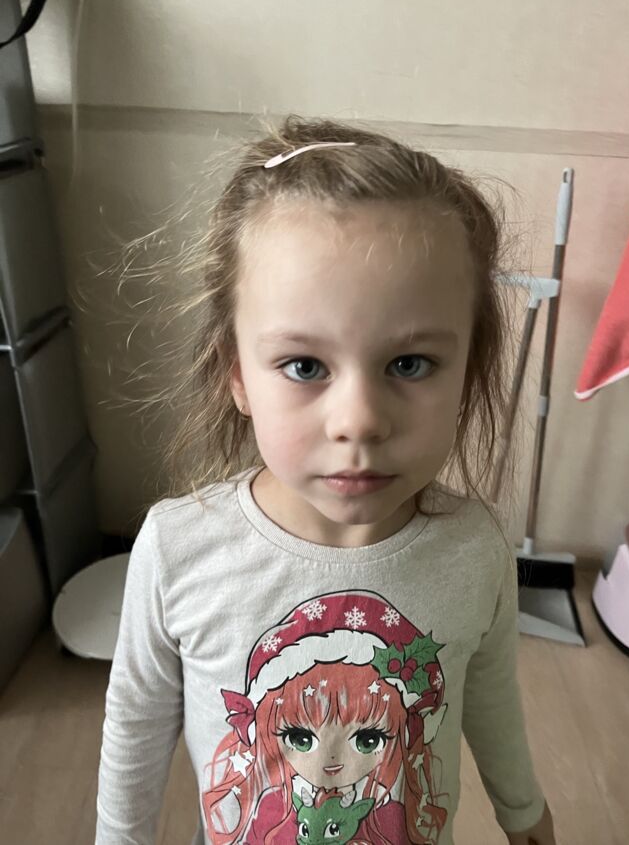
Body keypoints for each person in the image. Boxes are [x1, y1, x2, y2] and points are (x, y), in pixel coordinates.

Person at [95, 115, 557, 845]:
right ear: (237, 376)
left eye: (409, 364)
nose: (359, 421)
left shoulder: (475, 551)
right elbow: (136, 722)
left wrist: (521, 807)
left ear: (468, 372)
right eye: (305, 366)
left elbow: (491, 696)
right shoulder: (179, 549)